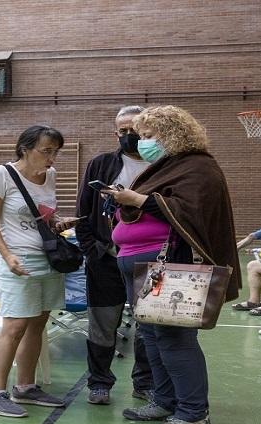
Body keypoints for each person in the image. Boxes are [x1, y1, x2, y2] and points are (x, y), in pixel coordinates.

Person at [101, 105, 240, 424]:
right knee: (151, 337)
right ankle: (164, 400)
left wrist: (140, 200)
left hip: (171, 267)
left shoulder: (198, 168)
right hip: (141, 266)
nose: (142, 142)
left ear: (172, 135)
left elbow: (189, 211)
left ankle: (194, 412)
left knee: (174, 338)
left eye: (150, 136)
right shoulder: (167, 167)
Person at [0, 125, 74, 418]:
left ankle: (25, 386)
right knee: (15, 325)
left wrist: (58, 222)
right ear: (25, 149)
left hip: (48, 257)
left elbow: (43, 216)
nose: (52, 157)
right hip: (17, 259)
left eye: (56, 151)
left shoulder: (51, 176)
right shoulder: (1, 175)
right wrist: (6, 255)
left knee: (38, 323)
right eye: (46, 151)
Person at [75, 106, 153, 406]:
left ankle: (144, 383)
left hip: (148, 260)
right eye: (123, 131)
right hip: (105, 259)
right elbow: (83, 211)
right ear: (115, 133)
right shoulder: (102, 164)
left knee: (148, 325)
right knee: (102, 323)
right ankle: (99, 383)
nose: (129, 136)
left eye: (135, 130)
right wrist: (92, 249)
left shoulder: (164, 164)